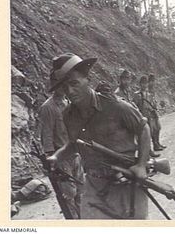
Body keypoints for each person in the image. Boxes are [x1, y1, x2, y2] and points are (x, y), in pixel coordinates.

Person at [47, 53, 150, 219]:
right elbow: (75, 145)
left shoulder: (116, 105)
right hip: (94, 187)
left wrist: (142, 165)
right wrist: (56, 157)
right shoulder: (68, 115)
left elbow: (143, 128)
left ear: (87, 79)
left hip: (126, 183)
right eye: (64, 87)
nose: (70, 91)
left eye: (74, 83)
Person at [39, 59, 85, 219]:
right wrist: (51, 159)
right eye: (59, 85)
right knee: (68, 194)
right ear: (54, 87)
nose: (63, 89)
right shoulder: (48, 108)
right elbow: (46, 134)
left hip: (75, 154)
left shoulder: (68, 103)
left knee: (81, 190)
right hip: (61, 157)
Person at [133, 75, 164, 152]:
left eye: (146, 83)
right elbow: (135, 106)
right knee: (145, 135)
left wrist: (154, 110)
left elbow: (151, 104)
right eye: (143, 83)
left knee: (152, 131)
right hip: (142, 116)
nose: (144, 85)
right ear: (140, 84)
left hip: (150, 115)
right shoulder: (137, 94)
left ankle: (153, 147)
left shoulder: (148, 94)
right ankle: (148, 150)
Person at [147, 74, 166, 150]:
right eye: (152, 81)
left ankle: (157, 143)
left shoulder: (152, 89)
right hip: (150, 112)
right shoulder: (147, 90)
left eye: (153, 81)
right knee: (153, 129)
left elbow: (154, 100)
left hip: (154, 110)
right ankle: (155, 145)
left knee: (158, 127)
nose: (153, 83)